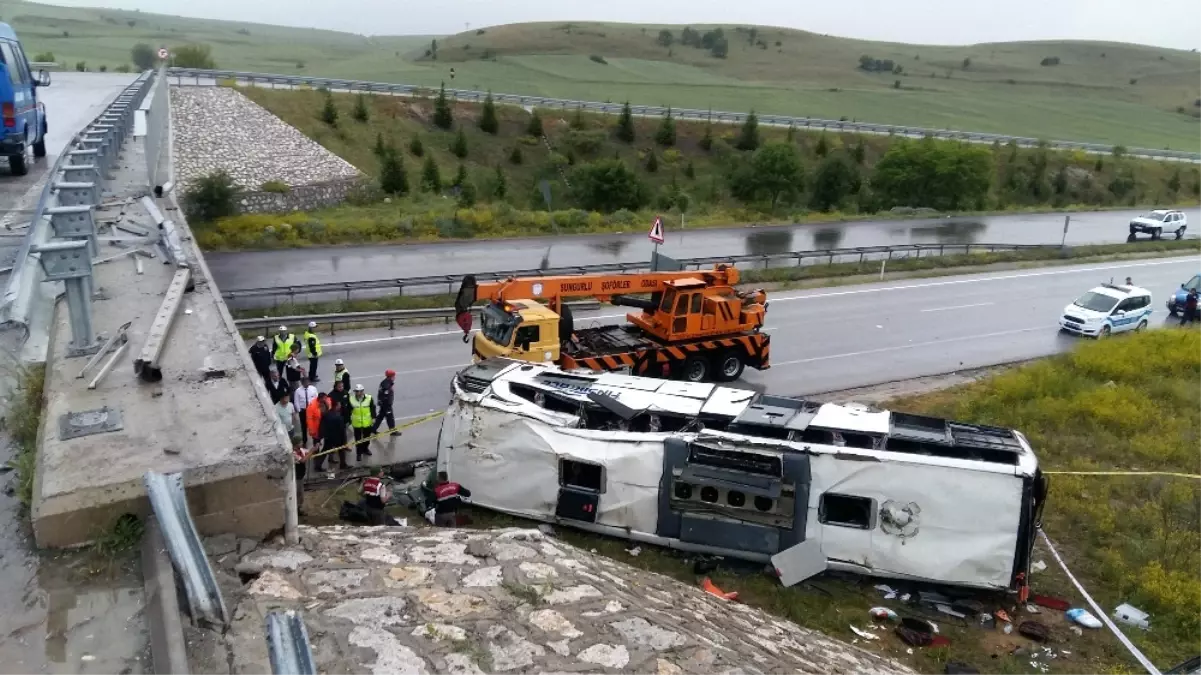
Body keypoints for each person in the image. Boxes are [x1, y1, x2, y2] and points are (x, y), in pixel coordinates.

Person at [349, 384, 377, 463]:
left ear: (362, 391)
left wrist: (374, 417)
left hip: (367, 422)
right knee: (358, 440)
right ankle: (359, 453)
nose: (357, 393)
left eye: (359, 391)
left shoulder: (369, 398)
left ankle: (365, 449)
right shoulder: (351, 399)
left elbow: (373, 408)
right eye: (356, 391)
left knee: (367, 438)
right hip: (357, 423)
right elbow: (348, 410)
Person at [318, 399, 348, 471]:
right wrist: (345, 441)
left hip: (328, 437)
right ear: (336, 406)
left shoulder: (327, 414)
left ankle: (318, 466)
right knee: (341, 451)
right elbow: (342, 430)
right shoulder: (338, 416)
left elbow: (322, 426)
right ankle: (343, 465)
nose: (340, 406)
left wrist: (323, 436)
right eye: (339, 404)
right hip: (337, 437)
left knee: (324, 451)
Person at [293, 377, 319, 447]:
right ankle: (304, 440)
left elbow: (317, 398)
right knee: (304, 426)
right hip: (303, 411)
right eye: (305, 382)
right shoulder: (298, 391)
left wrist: (316, 408)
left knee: (313, 425)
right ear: (302, 383)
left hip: (312, 410)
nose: (307, 384)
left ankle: (316, 440)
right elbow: (296, 401)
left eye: (308, 382)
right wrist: (299, 410)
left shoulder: (313, 389)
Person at [373, 369, 400, 436]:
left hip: (383, 404)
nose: (394, 377)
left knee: (380, 417)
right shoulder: (387, 385)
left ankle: (373, 429)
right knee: (390, 418)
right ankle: (392, 431)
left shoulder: (385, 382)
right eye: (394, 376)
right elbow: (385, 396)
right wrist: (387, 406)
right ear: (391, 376)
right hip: (386, 405)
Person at [293, 438, 309, 515]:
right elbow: (302, 460)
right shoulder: (293, 453)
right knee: (298, 493)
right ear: (296, 444)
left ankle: (298, 508)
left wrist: (315, 448)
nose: (302, 443)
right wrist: (312, 451)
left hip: (301, 476)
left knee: (300, 494)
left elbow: (307, 452)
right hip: (297, 477)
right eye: (300, 442)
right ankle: (297, 510)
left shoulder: (301, 450)